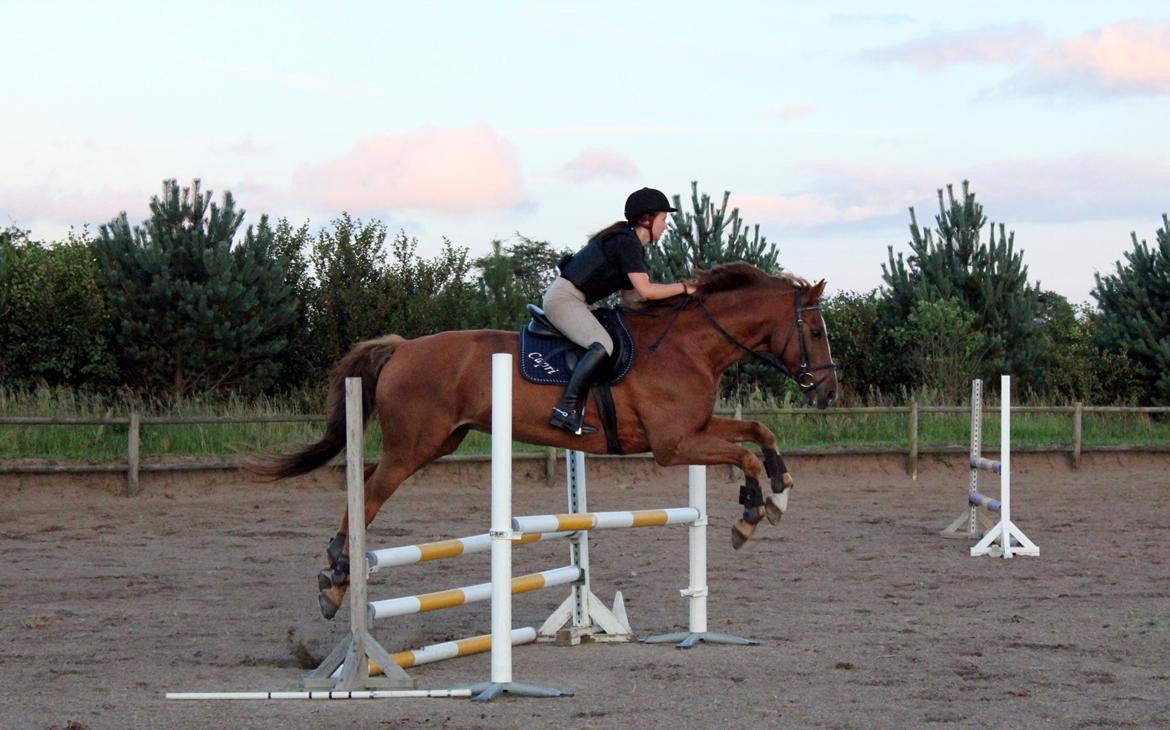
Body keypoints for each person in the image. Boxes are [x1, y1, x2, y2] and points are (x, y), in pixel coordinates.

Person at [543, 187, 693, 435]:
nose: (666, 226)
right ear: (647, 219)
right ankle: (565, 410)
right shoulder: (626, 243)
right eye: (664, 219)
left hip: (575, 300)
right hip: (564, 299)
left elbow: (631, 297)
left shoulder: (629, 243)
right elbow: (645, 291)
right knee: (603, 344)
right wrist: (686, 288)